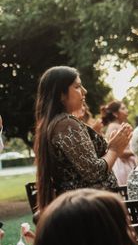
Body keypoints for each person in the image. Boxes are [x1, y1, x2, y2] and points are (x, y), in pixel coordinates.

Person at [33, 66, 132, 211]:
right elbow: (94, 172)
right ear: (61, 94)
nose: (84, 91)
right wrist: (114, 150)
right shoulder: (66, 124)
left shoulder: (59, 122)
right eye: (78, 87)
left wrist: (110, 146)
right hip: (88, 208)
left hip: (85, 205)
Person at [101, 100, 137, 185]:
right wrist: (136, 151)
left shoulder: (117, 126)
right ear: (115, 114)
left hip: (128, 163)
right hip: (123, 166)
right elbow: (120, 153)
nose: (127, 110)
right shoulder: (115, 127)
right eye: (123, 108)